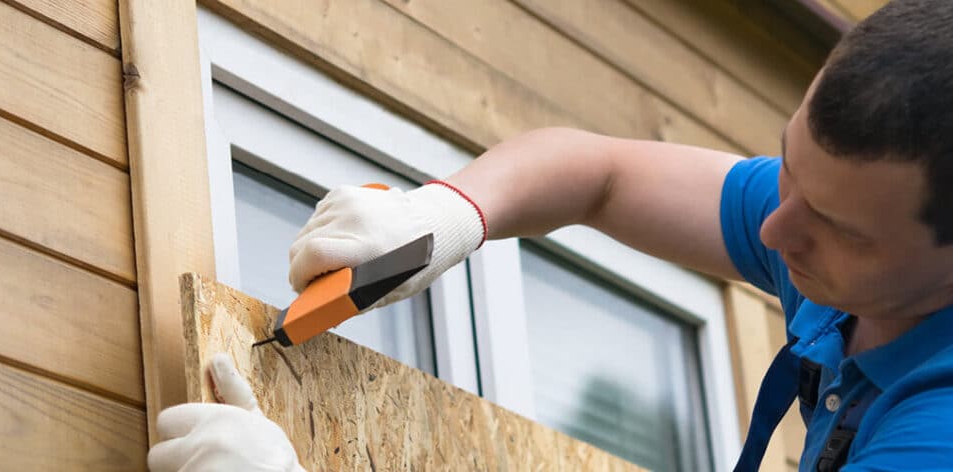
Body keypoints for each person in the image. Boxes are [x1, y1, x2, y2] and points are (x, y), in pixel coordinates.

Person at [148, 1, 953, 470]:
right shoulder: (827, 222)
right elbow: (598, 174)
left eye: (836, 230)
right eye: (787, 164)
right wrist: (449, 213)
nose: (776, 229)